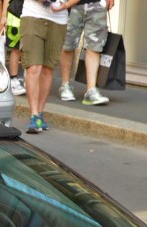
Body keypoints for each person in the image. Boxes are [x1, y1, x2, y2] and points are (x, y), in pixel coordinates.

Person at [20, 0, 69, 132]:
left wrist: (66, 5)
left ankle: (40, 114)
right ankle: (34, 115)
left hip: (58, 21)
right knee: (33, 66)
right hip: (33, 16)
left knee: (48, 69)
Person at [58, 0, 114, 105]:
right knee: (68, 44)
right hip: (71, 4)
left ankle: (91, 90)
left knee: (94, 47)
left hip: (97, 4)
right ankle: (65, 84)